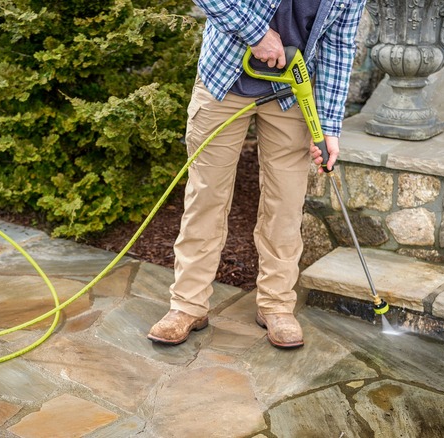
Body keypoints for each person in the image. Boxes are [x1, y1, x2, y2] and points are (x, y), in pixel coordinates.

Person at [147, 0, 366, 348]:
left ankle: (276, 306)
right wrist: (257, 34)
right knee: (207, 196)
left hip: (292, 90)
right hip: (226, 79)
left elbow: (339, 45)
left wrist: (328, 127)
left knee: (286, 202)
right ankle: (187, 305)